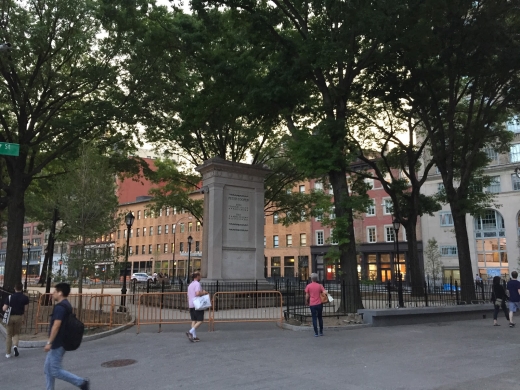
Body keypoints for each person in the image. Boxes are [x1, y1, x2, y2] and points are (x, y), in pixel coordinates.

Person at [44, 283, 90, 390]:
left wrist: (49, 342)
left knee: (55, 370)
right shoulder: (66, 305)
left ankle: (81, 382)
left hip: (58, 342)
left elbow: (56, 325)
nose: (52, 293)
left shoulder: (60, 308)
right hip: (59, 341)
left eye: (54, 291)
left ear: (60, 293)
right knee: (47, 369)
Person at [2, 282, 29, 358]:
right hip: (19, 317)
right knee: (16, 333)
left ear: (15, 288)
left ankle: (8, 353)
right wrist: (24, 318)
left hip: (10, 317)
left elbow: (4, 308)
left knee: (9, 335)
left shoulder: (10, 297)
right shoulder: (25, 298)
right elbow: (26, 310)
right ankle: (15, 346)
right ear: (22, 288)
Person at [186, 271, 208, 342]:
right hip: (197, 304)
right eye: (200, 276)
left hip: (191, 304)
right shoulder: (197, 284)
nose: (201, 277)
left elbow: (188, 295)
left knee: (193, 320)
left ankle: (194, 336)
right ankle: (190, 331)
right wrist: (204, 292)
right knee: (200, 320)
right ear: (197, 276)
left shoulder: (190, 285)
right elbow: (197, 293)